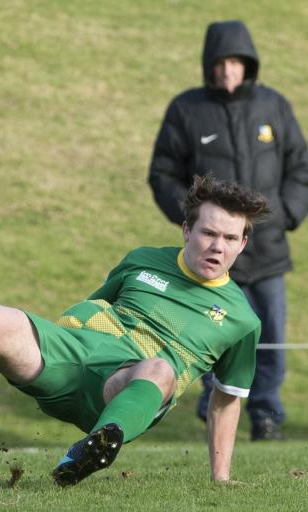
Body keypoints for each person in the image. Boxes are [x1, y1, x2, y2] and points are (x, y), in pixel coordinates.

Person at [0, 176, 270, 490]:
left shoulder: (242, 320)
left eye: (229, 238)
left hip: (122, 390)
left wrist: (220, 477)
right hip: (71, 356)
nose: (217, 247)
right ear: (187, 229)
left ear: (243, 243)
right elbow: (89, 310)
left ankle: (95, 446)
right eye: (208, 232)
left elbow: (227, 398)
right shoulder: (142, 259)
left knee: (160, 369)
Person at [148, 20, 308, 440]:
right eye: (220, 63)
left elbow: (300, 166)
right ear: (208, 65)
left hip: (268, 250)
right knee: (214, 332)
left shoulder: (274, 106)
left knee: (270, 335)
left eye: (236, 62)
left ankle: (267, 416)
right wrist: (198, 224)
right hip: (214, 256)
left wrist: (288, 214)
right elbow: (162, 174)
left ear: (249, 64)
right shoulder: (187, 110)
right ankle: (211, 407)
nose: (227, 71)